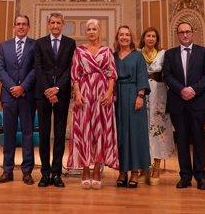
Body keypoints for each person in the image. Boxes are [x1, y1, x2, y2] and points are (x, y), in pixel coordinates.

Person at [67, 19, 118, 189]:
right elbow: (75, 74)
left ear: (99, 31)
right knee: (84, 131)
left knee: (100, 131)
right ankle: (85, 170)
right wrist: (78, 93)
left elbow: (112, 74)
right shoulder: (79, 51)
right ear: (85, 33)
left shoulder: (107, 51)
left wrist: (109, 93)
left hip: (102, 94)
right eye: (88, 29)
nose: (91, 32)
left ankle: (97, 169)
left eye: (94, 29)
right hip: (85, 94)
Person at [163, 21, 205, 191]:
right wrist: (181, 90)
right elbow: (167, 76)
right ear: (177, 35)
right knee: (182, 140)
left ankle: (200, 177)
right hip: (178, 102)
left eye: (187, 32)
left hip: (199, 102)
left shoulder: (203, 52)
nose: (185, 35)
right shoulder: (170, 54)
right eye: (181, 32)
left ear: (192, 33)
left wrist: (193, 89)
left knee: (199, 139)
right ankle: (185, 176)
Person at [33, 12, 76, 188]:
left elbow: (70, 68)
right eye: (52, 22)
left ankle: (57, 173)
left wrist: (57, 88)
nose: (55, 25)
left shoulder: (70, 43)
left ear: (63, 24)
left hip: (62, 93)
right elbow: (38, 67)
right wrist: (47, 89)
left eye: (58, 22)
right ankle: (45, 173)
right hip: (43, 94)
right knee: (43, 134)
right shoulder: (39, 43)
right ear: (48, 24)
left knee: (59, 135)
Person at [0, 15, 37, 185]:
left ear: (28, 27)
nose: (21, 27)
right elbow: (0, 69)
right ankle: (7, 170)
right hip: (8, 95)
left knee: (27, 134)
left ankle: (27, 172)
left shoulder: (35, 45)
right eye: (18, 24)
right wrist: (13, 87)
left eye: (24, 24)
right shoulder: (4, 46)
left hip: (27, 96)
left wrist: (23, 87)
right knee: (9, 134)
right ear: (14, 27)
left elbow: (36, 69)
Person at [114, 25, 150, 189]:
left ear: (131, 38)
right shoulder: (113, 56)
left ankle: (135, 171)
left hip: (134, 94)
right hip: (117, 97)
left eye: (127, 35)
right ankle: (122, 171)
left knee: (135, 134)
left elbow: (142, 75)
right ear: (117, 38)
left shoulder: (138, 56)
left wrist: (140, 95)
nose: (124, 37)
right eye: (121, 35)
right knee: (120, 133)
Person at [139, 27, 175, 185]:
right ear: (143, 38)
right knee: (142, 129)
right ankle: (143, 167)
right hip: (140, 94)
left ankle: (157, 166)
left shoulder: (163, 54)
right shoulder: (137, 53)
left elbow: (168, 73)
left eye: (154, 36)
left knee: (158, 129)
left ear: (157, 38)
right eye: (148, 35)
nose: (151, 38)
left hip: (159, 95)